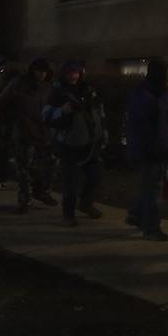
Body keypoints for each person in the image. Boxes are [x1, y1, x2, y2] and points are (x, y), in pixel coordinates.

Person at [43, 61, 106, 227]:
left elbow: (98, 111)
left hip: (89, 142)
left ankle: (86, 204)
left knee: (95, 175)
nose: (73, 76)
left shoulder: (88, 90)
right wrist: (61, 111)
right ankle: (68, 214)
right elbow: (46, 115)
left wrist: (102, 131)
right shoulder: (57, 93)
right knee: (70, 182)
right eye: (70, 73)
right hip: (68, 144)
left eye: (76, 73)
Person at [125, 58, 168, 242]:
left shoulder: (155, 93)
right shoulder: (144, 94)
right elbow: (153, 112)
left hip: (157, 148)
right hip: (147, 149)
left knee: (148, 186)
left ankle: (136, 214)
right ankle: (151, 228)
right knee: (152, 189)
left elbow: (167, 119)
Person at [0, 58, 57, 213]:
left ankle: (42, 191)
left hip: (43, 131)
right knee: (23, 167)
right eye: (39, 71)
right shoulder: (19, 84)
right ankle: (25, 199)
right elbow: (3, 101)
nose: (41, 75)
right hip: (24, 130)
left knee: (49, 164)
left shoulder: (48, 87)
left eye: (44, 72)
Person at [0, 54, 19, 190]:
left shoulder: (4, 74)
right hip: (9, 118)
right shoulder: (13, 74)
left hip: (3, 119)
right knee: (3, 150)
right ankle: (0, 178)